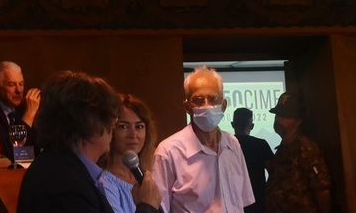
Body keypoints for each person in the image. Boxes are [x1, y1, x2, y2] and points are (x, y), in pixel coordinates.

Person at [17, 71, 161, 213]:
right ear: (88, 121)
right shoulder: (65, 183)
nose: (113, 124)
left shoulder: (66, 168)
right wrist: (147, 206)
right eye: (110, 116)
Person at [153, 66, 254, 212]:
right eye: (198, 100)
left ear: (224, 105)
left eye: (213, 99)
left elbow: (242, 201)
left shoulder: (233, 144)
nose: (206, 106)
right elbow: (158, 208)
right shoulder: (169, 152)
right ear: (187, 106)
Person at [264, 92, 331, 213]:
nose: (278, 119)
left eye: (285, 116)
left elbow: (322, 190)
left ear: (298, 120)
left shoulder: (307, 149)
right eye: (277, 115)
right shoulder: (283, 148)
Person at [99, 94, 161, 213]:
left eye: (139, 126)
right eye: (124, 127)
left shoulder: (151, 173)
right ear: (111, 130)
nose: (133, 135)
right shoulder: (104, 182)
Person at [231, 107, 273, 213]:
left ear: (232, 124)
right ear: (252, 126)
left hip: (232, 201)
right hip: (257, 201)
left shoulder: (224, 145)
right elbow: (274, 172)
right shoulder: (261, 145)